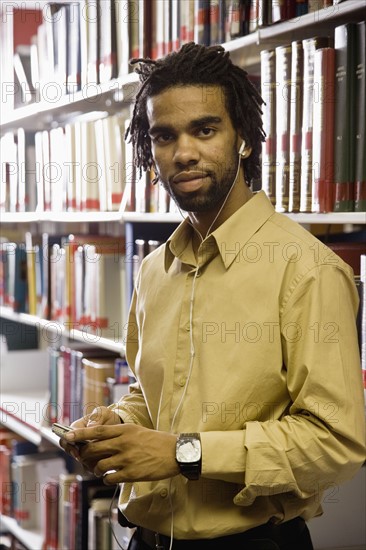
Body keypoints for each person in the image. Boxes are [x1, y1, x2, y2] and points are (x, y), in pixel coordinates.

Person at [61, 43, 366, 550]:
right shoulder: (155, 269)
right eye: (165, 136)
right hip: (146, 539)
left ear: (242, 137)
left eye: (205, 129)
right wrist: (117, 426)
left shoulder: (306, 269)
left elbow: (337, 442)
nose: (184, 152)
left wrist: (184, 453)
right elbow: (153, 395)